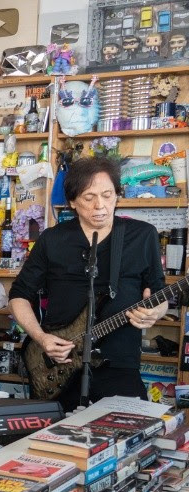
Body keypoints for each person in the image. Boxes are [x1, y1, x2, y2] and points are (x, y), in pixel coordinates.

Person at [9, 156, 165, 412]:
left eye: (107, 195)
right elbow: (18, 295)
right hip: (60, 362)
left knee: (131, 430)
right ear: (72, 201)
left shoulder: (142, 235)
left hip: (119, 363)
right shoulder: (52, 239)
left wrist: (155, 312)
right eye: (89, 197)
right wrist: (41, 338)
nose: (100, 205)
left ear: (117, 194)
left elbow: (158, 291)